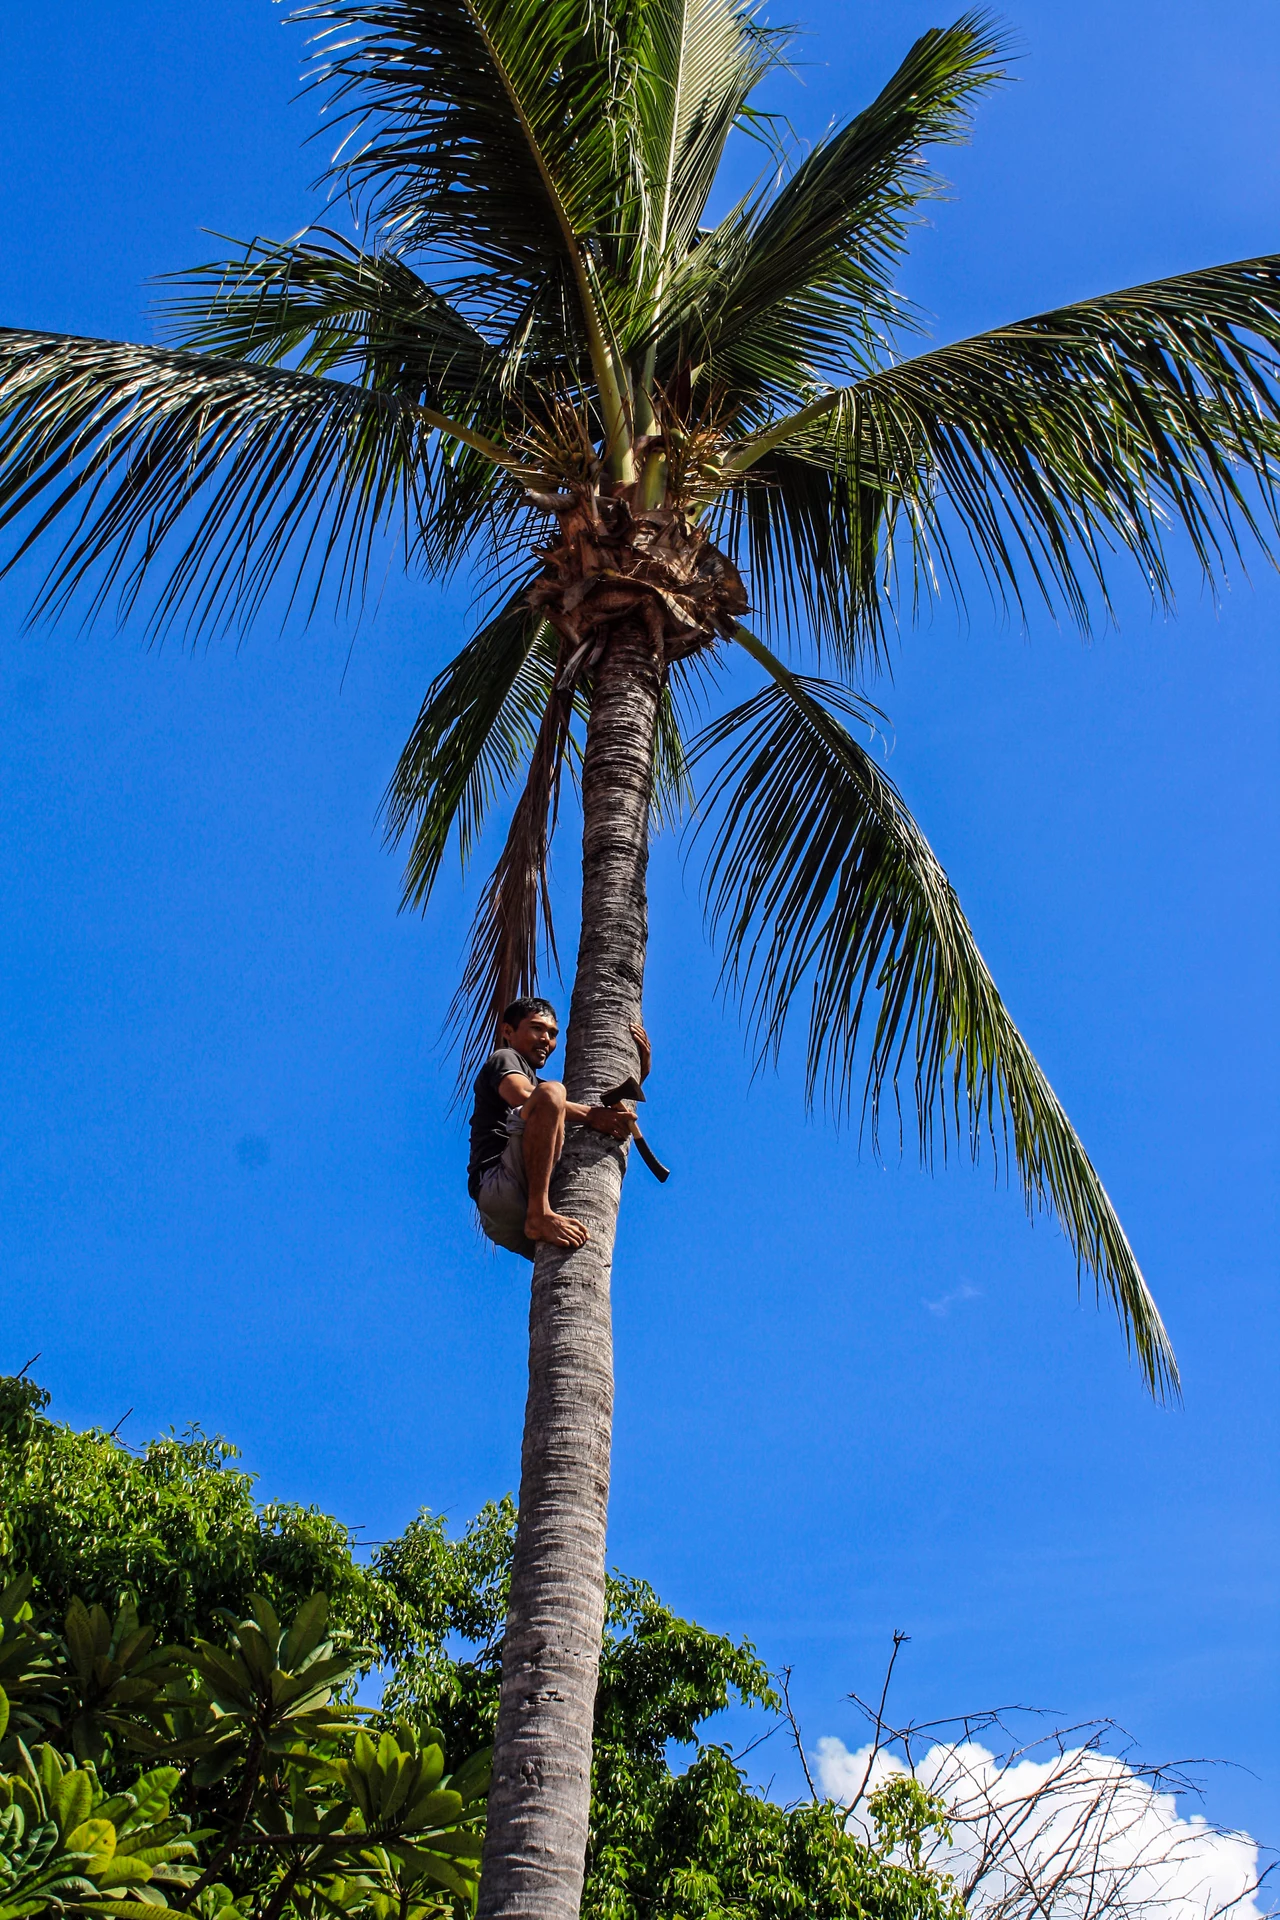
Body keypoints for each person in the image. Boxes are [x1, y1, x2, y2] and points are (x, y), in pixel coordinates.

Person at [467, 995, 650, 1260]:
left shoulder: (539, 1090)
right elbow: (521, 1094)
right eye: (536, 1028)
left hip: (515, 1208)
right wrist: (591, 1114)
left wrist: (638, 1065)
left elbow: (563, 1109)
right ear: (508, 1031)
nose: (546, 1040)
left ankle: (540, 1216)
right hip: (499, 1183)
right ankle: (539, 1214)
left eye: (552, 1033)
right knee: (553, 1091)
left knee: (575, 1257)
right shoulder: (504, 1058)